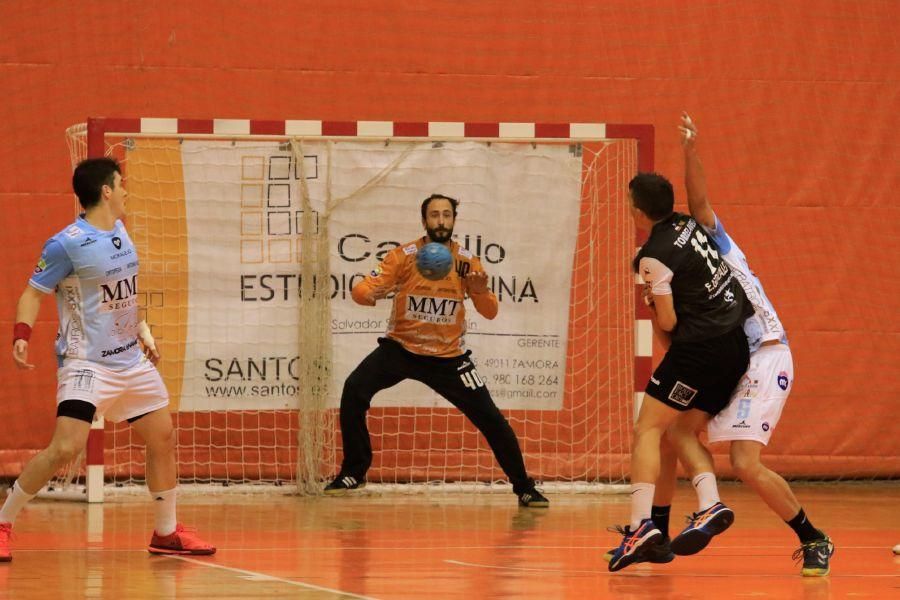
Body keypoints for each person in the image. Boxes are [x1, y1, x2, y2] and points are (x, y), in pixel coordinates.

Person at [640, 114, 833, 576]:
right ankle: (658, 534)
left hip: (766, 351)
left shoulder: (713, 245)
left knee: (745, 461)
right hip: (729, 358)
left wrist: (690, 151)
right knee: (672, 434)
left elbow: (699, 201)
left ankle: (814, 538)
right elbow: (674, 342)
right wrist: (656, 312)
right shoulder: (679, 285)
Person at [1, 158, 214, 561]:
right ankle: (3, 520)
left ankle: (166, 532)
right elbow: (32, 293)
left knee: (163, 438)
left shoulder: (119, 230)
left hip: (130, 361)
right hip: (87, 364)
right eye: (122, 183)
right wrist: (21, 335)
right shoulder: (66, 243)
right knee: (66, 448)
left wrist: (142, 329)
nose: (127, 190)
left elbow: (122, 294)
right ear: (106, 191)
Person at [324, 193, 548, 508]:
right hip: (400, 350)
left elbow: (490, 312)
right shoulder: (404, 256)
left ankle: (525, 487)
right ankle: (354, 471)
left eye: (446, 215)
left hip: (448, 359)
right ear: (424, 220)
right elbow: (362, 288)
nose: (440, 221)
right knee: (353, 390)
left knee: (492, 420)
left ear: (454, 220)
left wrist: (481, 290)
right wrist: (369, 295)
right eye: (434, 215)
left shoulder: (468, 262)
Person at [608, 170, 753, 572]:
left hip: (698, 352)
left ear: (636, 211)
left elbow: (669, 325)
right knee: (679, 431)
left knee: (647, 430)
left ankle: (640, 527)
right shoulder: (688, 223)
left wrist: (650, 302)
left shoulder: (652, 256)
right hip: (735, 346)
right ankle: (708, 505)